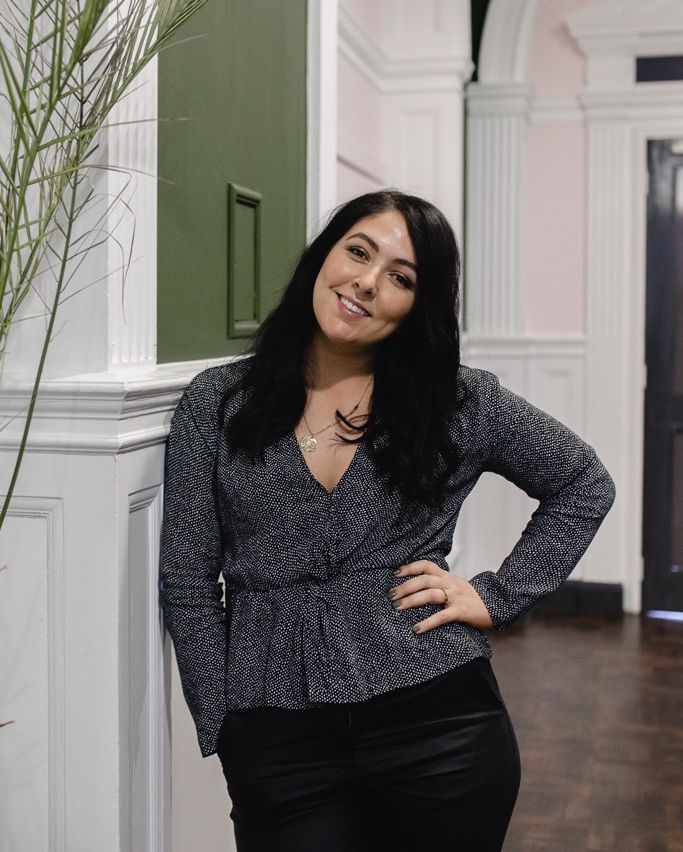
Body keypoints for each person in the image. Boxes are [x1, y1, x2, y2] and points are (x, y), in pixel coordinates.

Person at [159, 188, 616, 851]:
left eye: (400, 277)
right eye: (358, 252)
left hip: (439, 730)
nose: (367, 284)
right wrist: (222, 722)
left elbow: (581, 482)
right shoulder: (218, 403)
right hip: (277, 741)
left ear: (416, 305)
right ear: (324, 255)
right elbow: (187, 581)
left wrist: (494, 597)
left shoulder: (458, 402)